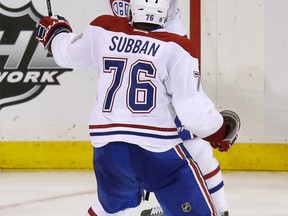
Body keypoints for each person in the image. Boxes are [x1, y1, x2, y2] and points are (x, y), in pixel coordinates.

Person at [35, 0, 240, 215]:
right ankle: (214, 209)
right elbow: (192, 111)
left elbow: (69, 53)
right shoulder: (177, 48)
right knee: (196, 152)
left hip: (107, 147)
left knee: (112, 206)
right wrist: (219, 132)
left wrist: (55, 33)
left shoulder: (102, 29)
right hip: (156, 147)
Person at [106, 1, 231, 216]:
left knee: (192, 147)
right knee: (188, 149)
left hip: (157, 60)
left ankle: (216, 209)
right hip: (143, 61)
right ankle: (215, 209)